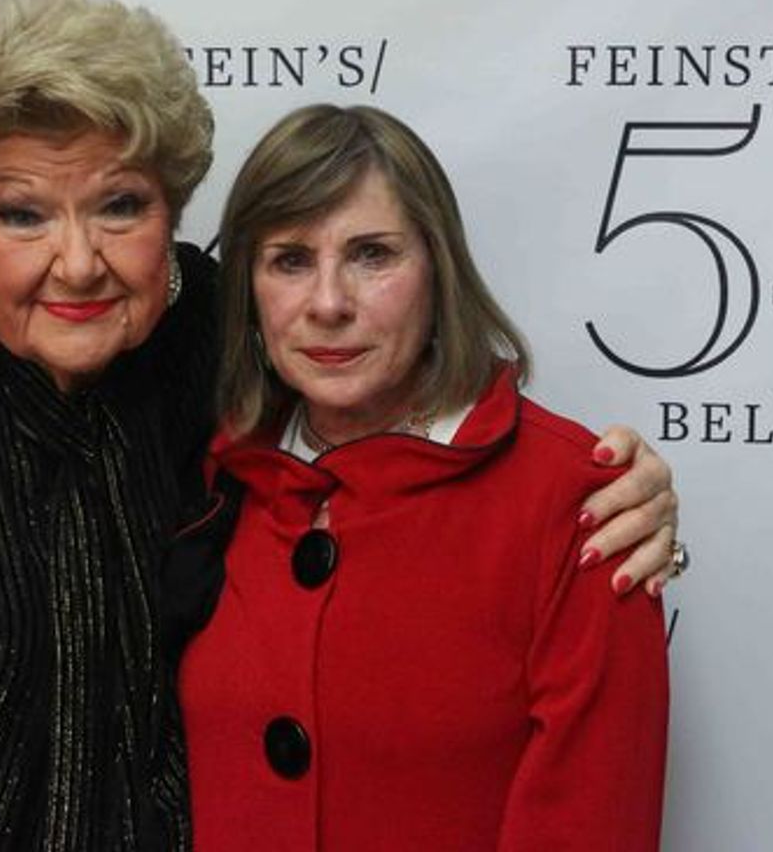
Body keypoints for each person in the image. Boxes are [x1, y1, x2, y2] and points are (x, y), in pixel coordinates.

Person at [0, 0, 679, 850]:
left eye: (118, 204)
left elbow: (407, 394)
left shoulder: (220, 349)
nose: (79, 261)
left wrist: (618, 486)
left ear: (172, 211)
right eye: (20, 213)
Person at [180, 104, 669, 851]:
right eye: (290, 260)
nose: (329, 303)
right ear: (247, 290)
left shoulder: (581, 503)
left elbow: (591, 825)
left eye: (373, 255)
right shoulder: (210, 474)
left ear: (439, 272)